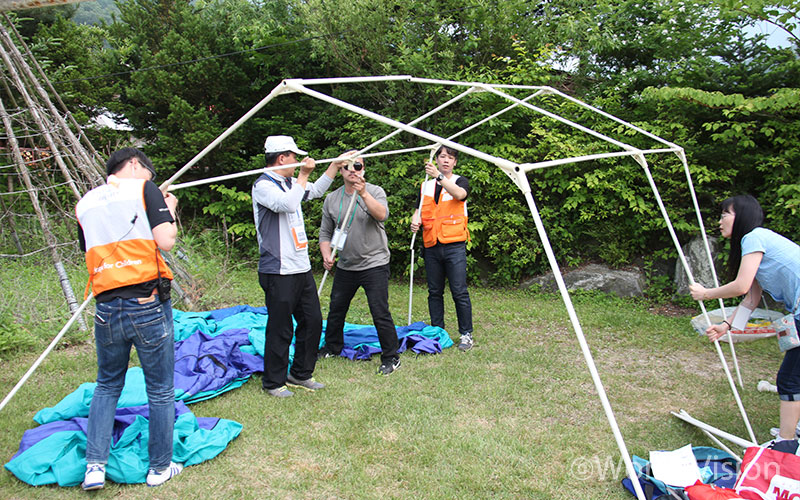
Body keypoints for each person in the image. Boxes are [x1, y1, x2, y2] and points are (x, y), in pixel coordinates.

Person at [75, 148, 182, 490]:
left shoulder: (86, 202)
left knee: (106, 385)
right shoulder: (142, 189)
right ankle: (159, 468)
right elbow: (165, 241)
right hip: (146, 304)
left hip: (106, 307)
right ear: (135, 164)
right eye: (149, 173)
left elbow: (87, 247)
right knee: (161, 389)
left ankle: (95, 466)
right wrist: (171, 211)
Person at [690, 194, 800, 446]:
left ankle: (786, 443)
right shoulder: (756, 243)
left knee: (790, 378)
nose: (720, 221)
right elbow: (750, 299)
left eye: (725, 214)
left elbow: (740, 286)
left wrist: (706, 294)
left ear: (741, 216)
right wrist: (726, 325)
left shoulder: (754, 237)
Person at [253, 135, 338, 397]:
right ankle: (273, 382)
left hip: (300, 268)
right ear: (282, 158)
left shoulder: (292, 182)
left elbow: (316, 190)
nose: (298, 161)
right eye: (294, 156)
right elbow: (288, 203)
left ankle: (300, 373)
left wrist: (335, 165)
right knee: (281, 327)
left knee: (312, 321)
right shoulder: (263, 185)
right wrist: (303, 175)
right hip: (277, 270)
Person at [317, 151, 401, 375]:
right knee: (336, 308)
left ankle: (391, 356)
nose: (353, 170)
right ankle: (333, 347)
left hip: (375, 262)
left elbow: (382, 214)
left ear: (364, 169)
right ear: (340, 171)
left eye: (358, 166)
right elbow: (325, 233)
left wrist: (363, 193)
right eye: (347, 167)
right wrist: (327, 253)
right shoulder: (332, 199)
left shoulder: (374, 191)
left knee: (379, 310)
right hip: (346, 264)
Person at [410, 145, 474, 351]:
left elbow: (460, 195)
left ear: (455, 162)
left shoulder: (459, 181)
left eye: (450, 157)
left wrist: (439, 177)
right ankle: (438, 331)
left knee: (459, 291)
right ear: (436, 159)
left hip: (454, 244)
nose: (446, 160)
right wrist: (415, 220)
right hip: (431, 244)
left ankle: (466, 334)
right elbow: (419, 209)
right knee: (434, 291)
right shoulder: (425, 185)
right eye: (442, 156)